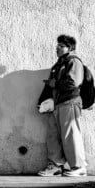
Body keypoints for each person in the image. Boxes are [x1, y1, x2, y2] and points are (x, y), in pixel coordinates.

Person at [37, 34, 87, 177]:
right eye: (57, 45)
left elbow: (74, 83)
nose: (57, 48)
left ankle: (79, 166)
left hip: (70, 103)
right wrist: (42, 102)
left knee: (70, 135)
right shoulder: (57, 65)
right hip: (57, 105)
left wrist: (55, 83)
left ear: (70, 48)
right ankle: (55, 166)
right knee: (53, 136)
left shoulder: (74, 62)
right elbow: (50, 87)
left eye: (61, 46)